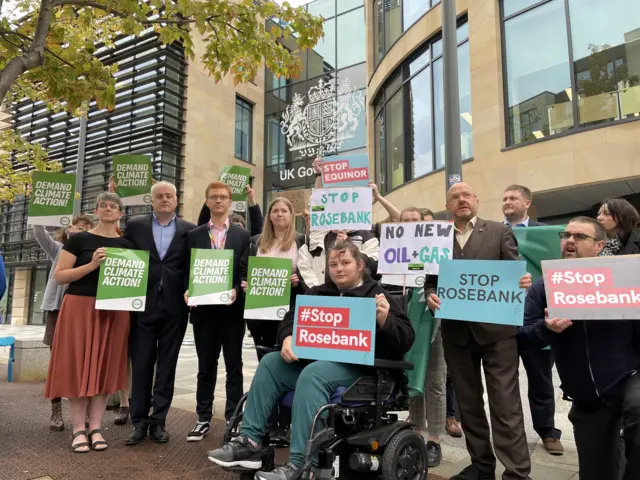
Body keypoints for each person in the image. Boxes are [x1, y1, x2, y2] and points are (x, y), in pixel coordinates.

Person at [207, 241, 415, 480]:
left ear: (360, 265)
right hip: (318, 366)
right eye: (333, 264)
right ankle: (250, 443)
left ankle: (304, 464)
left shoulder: (377, 295)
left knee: (313, 373)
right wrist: (287, 337)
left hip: (363, 370)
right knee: (271, 363)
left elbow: (406, 339)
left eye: (345, 263)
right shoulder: (318, 293)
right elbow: (290, 317)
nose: (338, 269)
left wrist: (385, 320)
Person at [517, 216, 640, 480]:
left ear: (599, 246)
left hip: (630, 379)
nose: (570, 241)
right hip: (588, 398)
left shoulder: (625, 276)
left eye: (580, 237)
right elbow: (523, 337)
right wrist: (546, 329)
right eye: (566, 236)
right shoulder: (544, 286)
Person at [426, 182, 532, 480]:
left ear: (476, 200)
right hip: (457, 336)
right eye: (454, 197)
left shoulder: (499, 231)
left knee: (505, 406)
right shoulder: (437, 237)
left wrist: (521, 282)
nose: (461, 200)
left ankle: (517, 472)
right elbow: (429, 281)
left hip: (498, 335)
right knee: (468, 406)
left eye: (466, 195)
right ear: (448, 205)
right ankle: (482, 466)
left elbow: (515, 272)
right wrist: (430, 296)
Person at [45, 192, 133, 453]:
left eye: (113, 205)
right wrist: (92, 265)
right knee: (78, 365)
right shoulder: (79, 239)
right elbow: (60, 276)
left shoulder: (127, 244)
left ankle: (95, 427)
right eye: (103, 205)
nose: (108, 208)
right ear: (95, 210)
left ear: (120, 213)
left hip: (114, 310)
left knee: (105, 366)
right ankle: (77, 430)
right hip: (80, 307)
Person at [124, 181, 196, 446]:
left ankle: (159, 422)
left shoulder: (189, 230)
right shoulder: (135, 226)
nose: (164, 199)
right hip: (141, 306)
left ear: (176, 200)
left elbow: (192, 266)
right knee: (141, 364)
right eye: (159, 196)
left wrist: (193, 290)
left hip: (175, 309)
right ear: (151, 201)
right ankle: (138, 422)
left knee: (167, 367)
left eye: (169, 196)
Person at [185, 181, 250, 441]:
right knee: (205, 366)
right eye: (214, 197)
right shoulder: (194, 235)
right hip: (204, 312)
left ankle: (233, 419)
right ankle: (202, 418)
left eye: (223, 197)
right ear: (207, 201)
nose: (219, 201)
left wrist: (236, 287)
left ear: (230, 201)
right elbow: (186, 270)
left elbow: (244, 270)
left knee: (234, 365)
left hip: (232, 311)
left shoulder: (242, 236)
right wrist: (187, 291)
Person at [502, 184, 563, 455]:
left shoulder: (546, 235)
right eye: (504, 198)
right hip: (501, 318)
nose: (507, 202)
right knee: (502, 380)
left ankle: (548, 432)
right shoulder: (492, 233)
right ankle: (508, 434)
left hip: (536, 319)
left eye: (513, 198)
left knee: (540, 379)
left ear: (527, 202)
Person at [241, 196, 307, 444]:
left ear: (291, 216)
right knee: (265, 366)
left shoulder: (302, 242)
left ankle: (285, 423)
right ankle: (268, 422)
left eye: (284, 210)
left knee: (288, 364)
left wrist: (298, 278)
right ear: (269, 216)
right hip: (262, 313)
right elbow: (243, 270)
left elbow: (312, 271)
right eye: (275, 211)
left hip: (290, 313)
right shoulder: (255, 242)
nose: (280, 214)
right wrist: (245, 283)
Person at [33, 216, 94, 431]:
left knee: (85, 359)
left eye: (86, 228)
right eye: (77, 226)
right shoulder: (58, 249)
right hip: (57, 310)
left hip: (84, 310)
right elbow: (39, 232)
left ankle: (86, 409)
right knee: (57, 361)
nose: (80, 230)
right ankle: (56, 409)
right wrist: (39, 209)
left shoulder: (93, 252)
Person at [401, 207, 447, 468]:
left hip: (435, 319)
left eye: (414, 221)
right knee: (410, 374)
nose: (409, 224)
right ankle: (416, 432)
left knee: (435, 380)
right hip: (405, 320)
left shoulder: (438, 247)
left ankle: (435, 440)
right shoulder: (392, 251)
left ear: (423, 223)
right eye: (404, 221)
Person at [198, 184, 263, 235]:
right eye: (232, 226)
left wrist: (252, 201)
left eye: (238, 226)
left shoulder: (244, 238)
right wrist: (211, 199)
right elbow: (202, 225)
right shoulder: (208, 234)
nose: (235, 230)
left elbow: (257, 231)